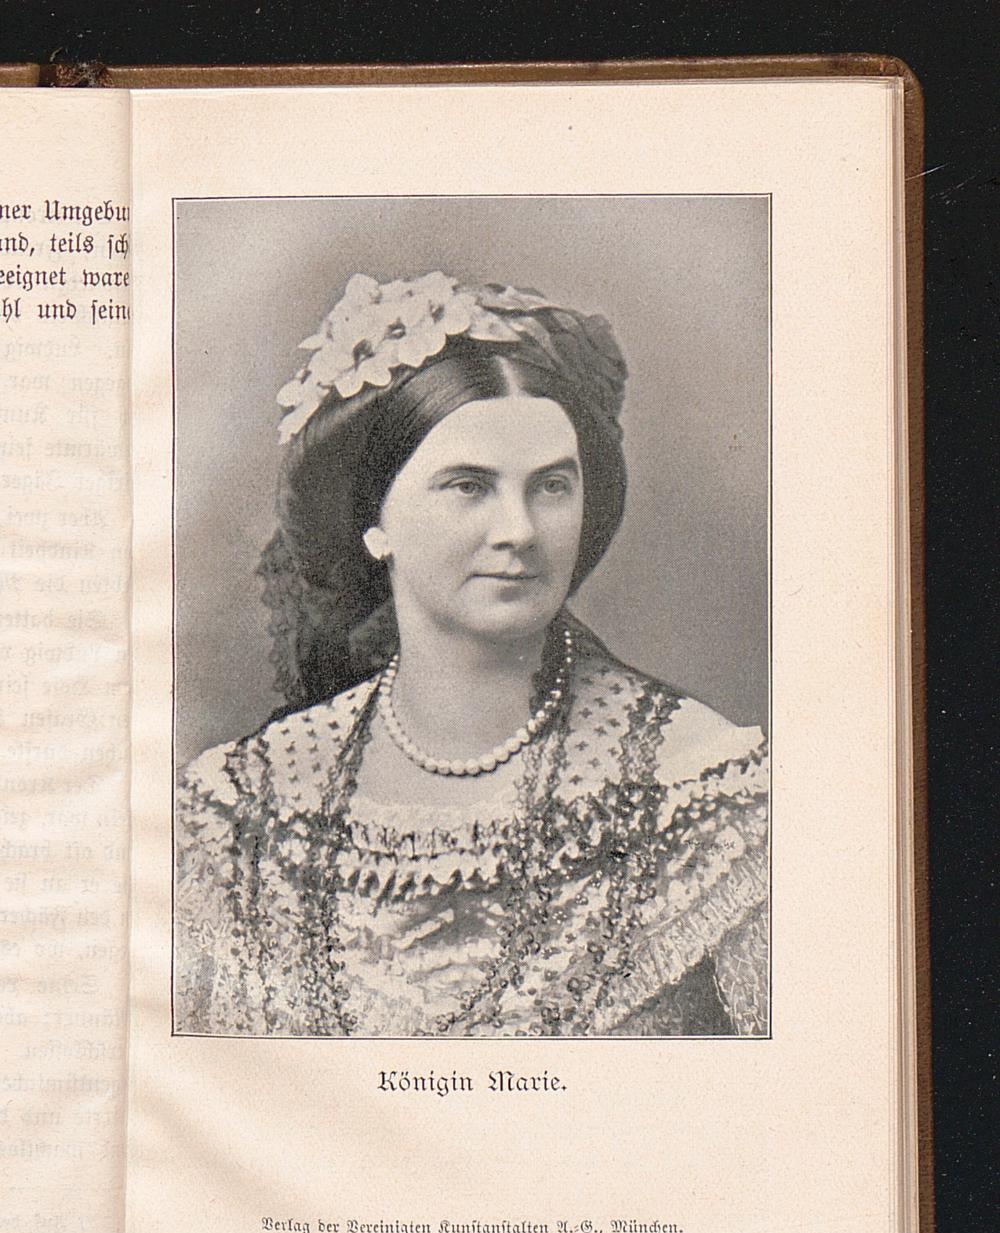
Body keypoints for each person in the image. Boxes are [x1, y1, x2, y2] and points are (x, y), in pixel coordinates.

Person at [174, 271, 768, 1037]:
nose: (519, 531)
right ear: (373, 520)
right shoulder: (242, 807)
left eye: (551, 487)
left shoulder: (708, 789)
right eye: (468, 486)